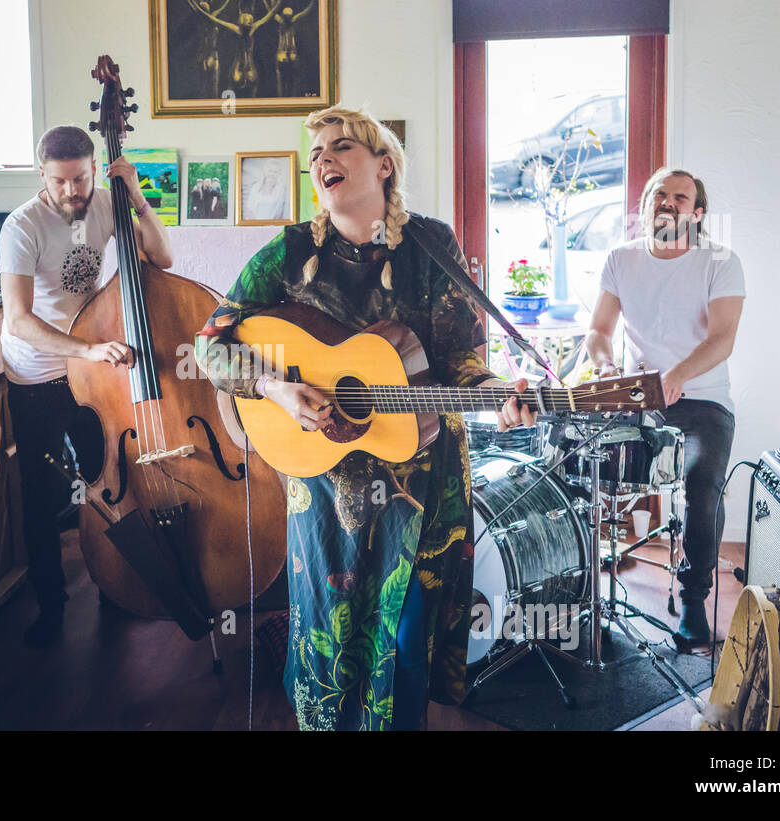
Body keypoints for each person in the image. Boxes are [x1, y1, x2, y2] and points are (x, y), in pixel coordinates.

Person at [195, 105, 532, 730]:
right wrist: (276, 388)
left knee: (407, 631)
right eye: (316, 153)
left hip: (421, 472)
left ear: (384, 165)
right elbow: (209, 344)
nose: (323, 159)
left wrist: (497, 392)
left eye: (340, 146)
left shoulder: (432, 245)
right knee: (331, 630)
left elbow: (459, 356)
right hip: (328, 484)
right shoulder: (290, 251)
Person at [0, 125, 174, 648]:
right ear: (42, 175)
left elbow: (162, 259)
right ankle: (51, 607)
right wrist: (86, 350)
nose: (72, 191)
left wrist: (138, 197)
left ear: (95, 169)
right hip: (38, 373)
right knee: (44, 492)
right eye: (60, 182)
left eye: (80, 179)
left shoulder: (103, 204)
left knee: (106, 476)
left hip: (89, 366)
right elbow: (18, 321)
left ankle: (113, 588)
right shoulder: (22, 227)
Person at [584, 167, 744, 649]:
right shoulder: (621, 259)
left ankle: (693, 602)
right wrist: (604, 364)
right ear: (646, 204)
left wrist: (677, 376)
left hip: (702, 401)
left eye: (680, 196)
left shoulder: (720, 261)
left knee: (702, 484)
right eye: (659, 193)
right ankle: (573, 590)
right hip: (637, 398)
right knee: (573, 460)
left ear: (697, 214)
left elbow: (722, 340)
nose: (667, 202)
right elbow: (598, 331)